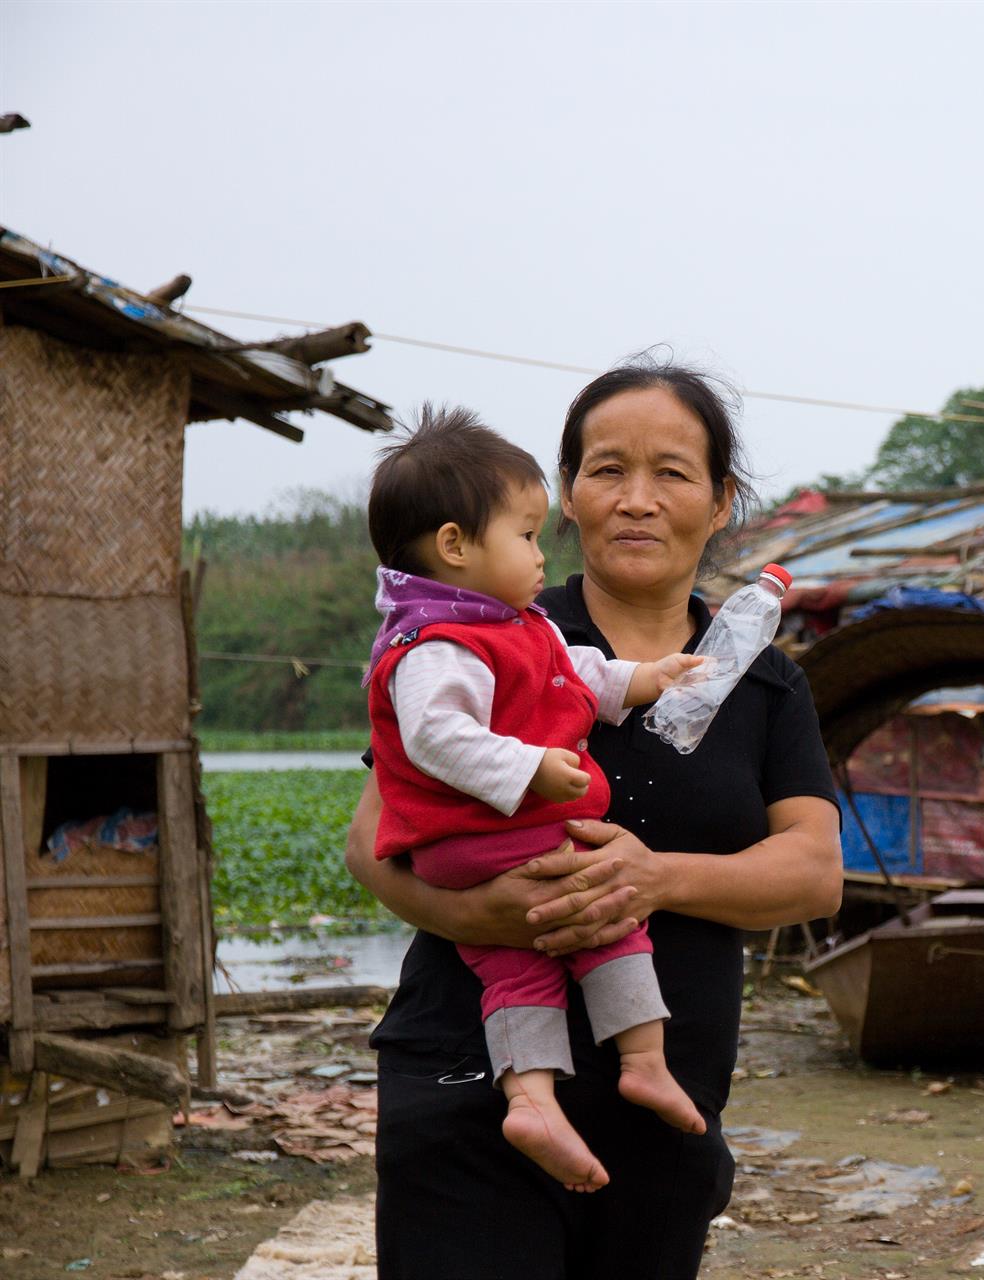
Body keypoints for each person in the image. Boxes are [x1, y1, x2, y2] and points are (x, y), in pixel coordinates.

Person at [345, 360, 842, 1280]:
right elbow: (372, 843)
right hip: (470, 1091)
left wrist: (653, 877)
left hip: (664, 1102)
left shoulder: (762, 679)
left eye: (672, 472)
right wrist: (478, 915)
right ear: (568, 494)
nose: (636, 500)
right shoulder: (485, 632)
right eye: (608, 470)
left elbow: (814, 874)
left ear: (722, 502)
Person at [361, 408, 707, 1194]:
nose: (540, 554)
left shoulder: (509, 626)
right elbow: (436, 736)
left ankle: (532, 1102)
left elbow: (577, 671)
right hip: (489, 832)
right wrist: (529, 770)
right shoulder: (436, 643)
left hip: (473, 850)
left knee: (516, 968)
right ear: (455, 545)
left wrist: (648, 678)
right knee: (608, 913)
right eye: (524, 535)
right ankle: (644, 1060)